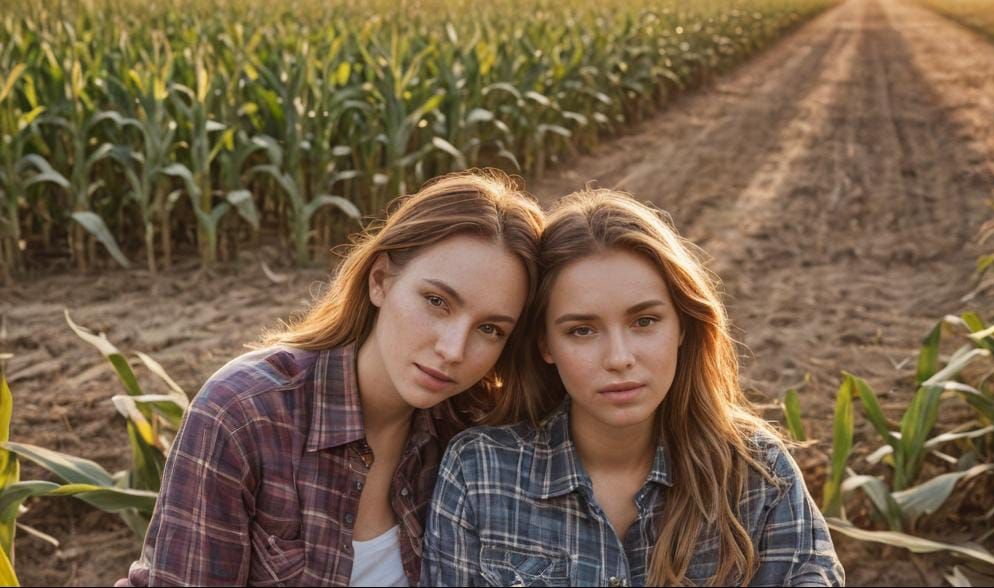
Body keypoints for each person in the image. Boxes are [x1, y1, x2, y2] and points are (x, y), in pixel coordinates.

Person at [118, 170, 544, 587]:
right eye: (437, 301)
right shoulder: (244, 414)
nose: (454, 350)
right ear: (380, 280)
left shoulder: (476, 438)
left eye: (491, 329)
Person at [422, 189, 845, 586]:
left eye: (644, 322)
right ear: (545, 345)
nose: (619, 358)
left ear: (683, 326)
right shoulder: (481, 473)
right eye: (583, 330)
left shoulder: (757, 473)